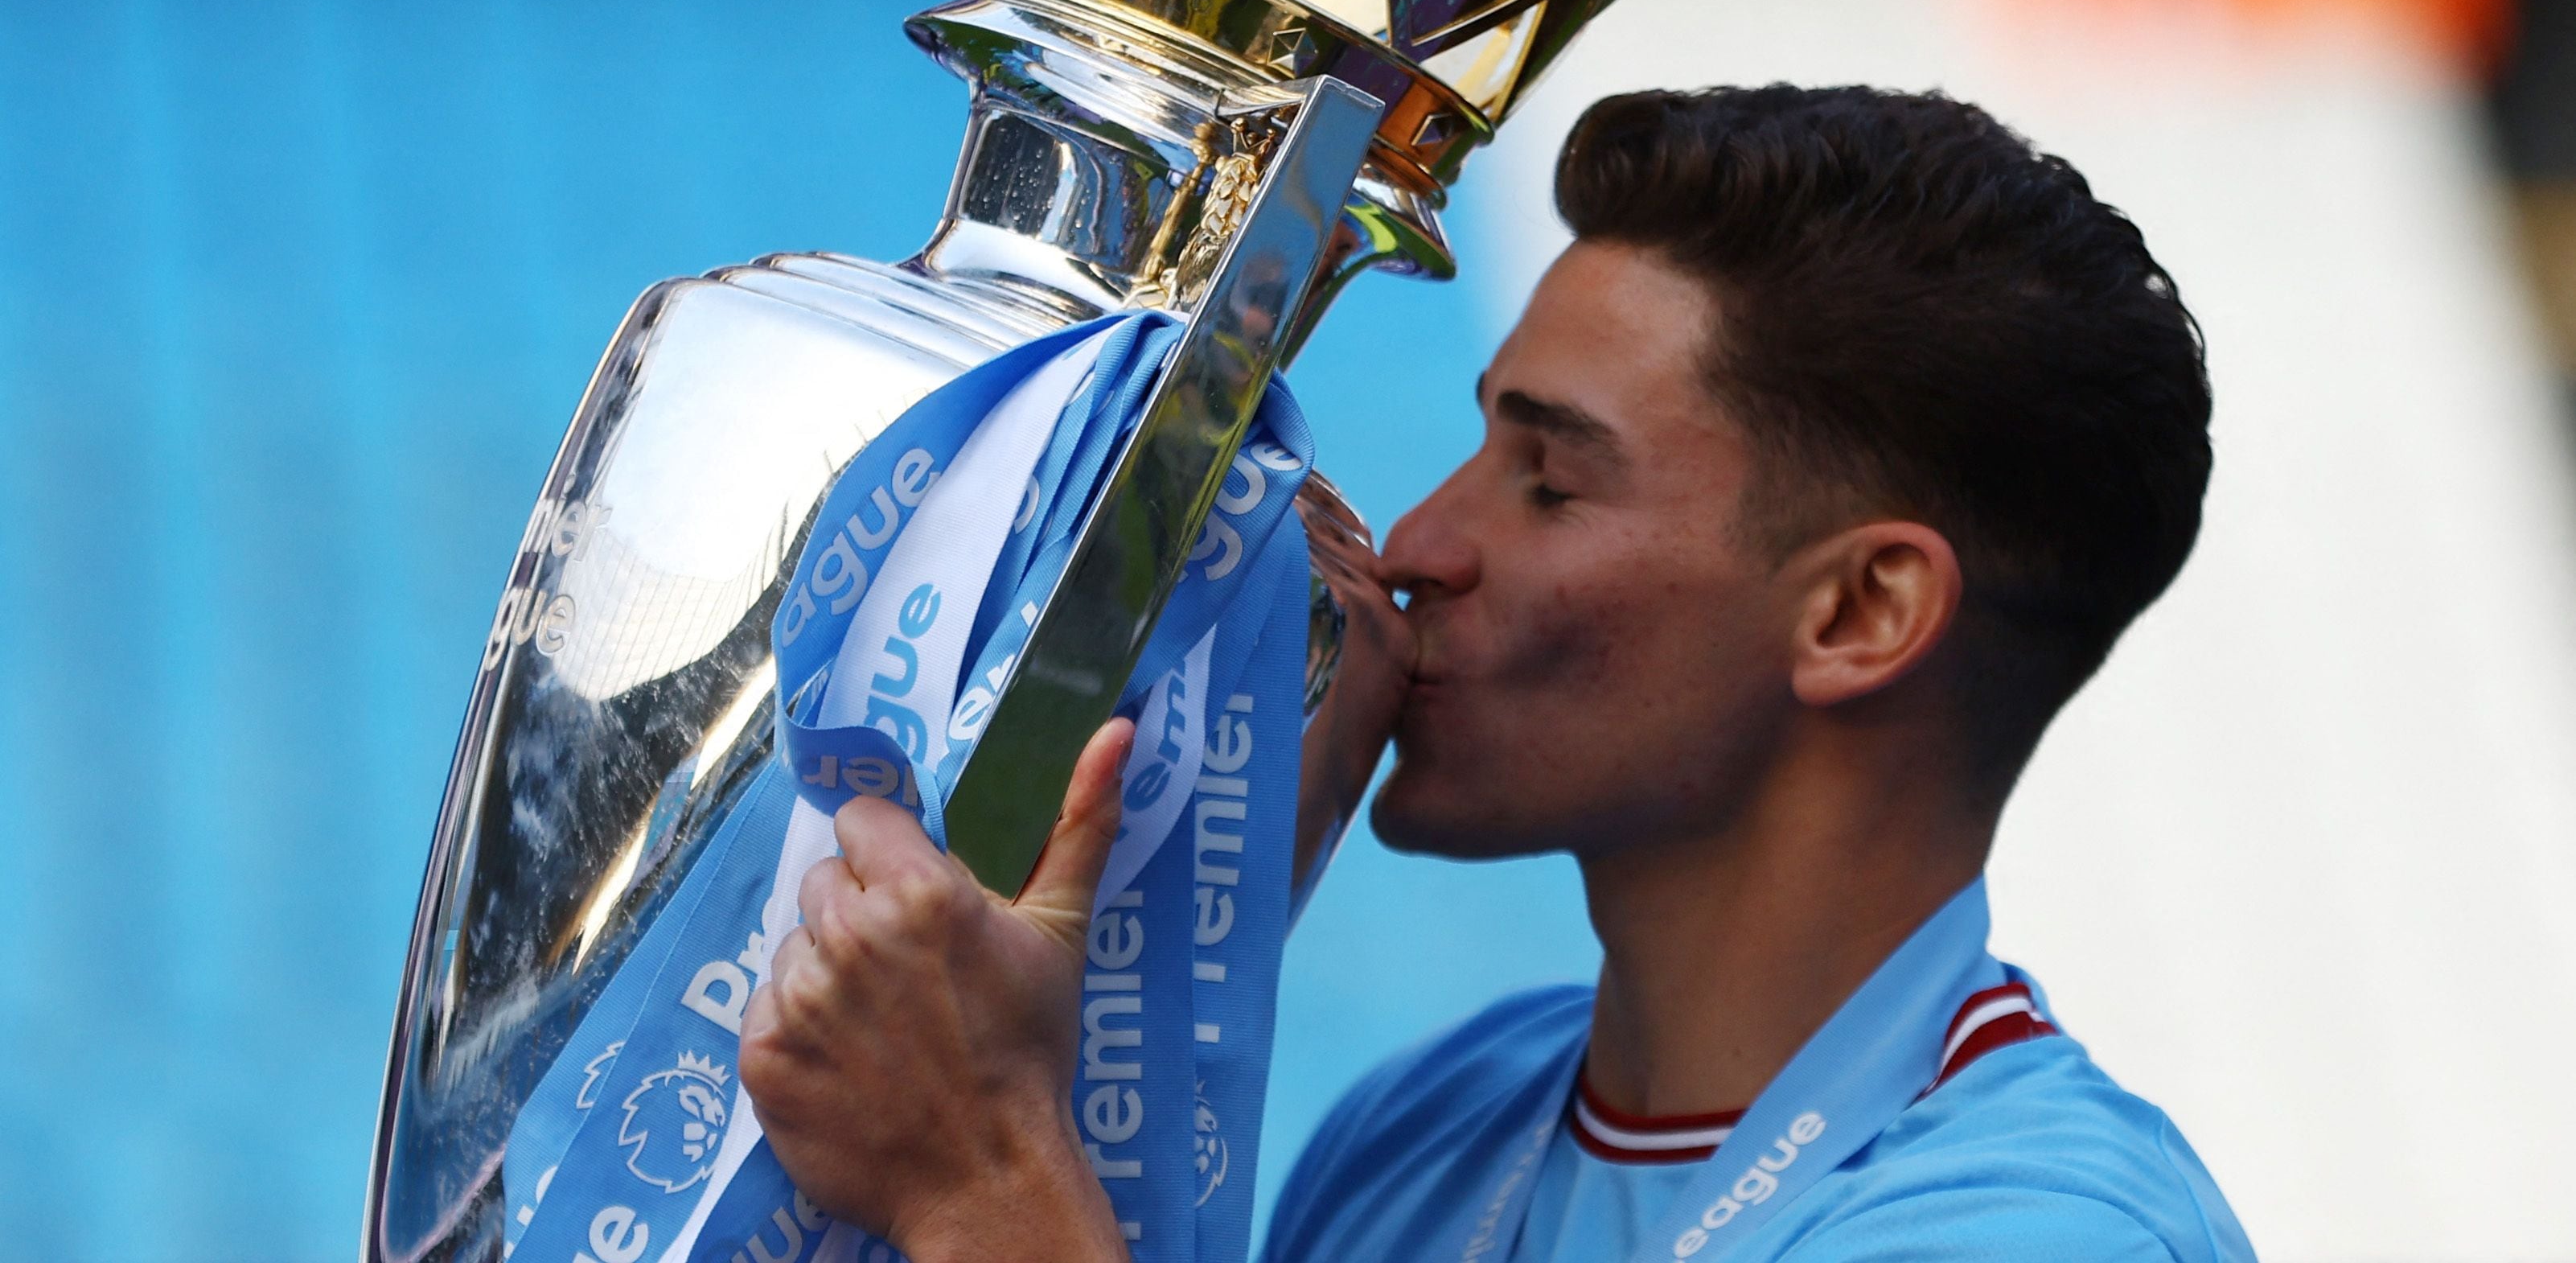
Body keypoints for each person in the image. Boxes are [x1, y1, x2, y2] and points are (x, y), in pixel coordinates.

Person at [735, 84, 2255, 1262]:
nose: (1414, 542)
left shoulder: (2046, 1227)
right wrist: (1179, 926)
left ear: (1859, 611)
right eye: (1479, 444)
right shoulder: (1428, 1127)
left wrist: (985, 1168)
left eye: (1549, 479)